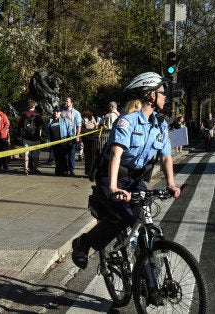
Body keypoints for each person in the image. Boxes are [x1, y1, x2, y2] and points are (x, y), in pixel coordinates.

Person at [71, 72, 181, 271]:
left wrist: (171, 183)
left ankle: (147, 281)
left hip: (135, 178)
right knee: (125, 216)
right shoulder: (127, 122)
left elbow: (166, 156)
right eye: (162, 92)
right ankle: (84, 242)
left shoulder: (160, 124)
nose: (166, 97)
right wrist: (113, 187)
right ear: (151, 95)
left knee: (143, 220)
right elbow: (116, 154)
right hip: (111, 175)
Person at [44, 106, 73, 176]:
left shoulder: (65, 120)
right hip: (54, 142)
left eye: (57, 112)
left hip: (63, 142)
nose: (56, 113)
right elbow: (46, 131)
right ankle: (58, 170)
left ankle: (65, 171)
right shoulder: (49, 121)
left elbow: (69, 131)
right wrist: (48, 141)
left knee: (63, 157)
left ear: (60, 113)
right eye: (55, 112)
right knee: (57, 157)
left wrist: (71, 139)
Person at [18, 100, 44, 175]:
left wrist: (23, 135)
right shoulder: (38, 115)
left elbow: (21, 127)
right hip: (35, 137)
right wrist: (39, 135)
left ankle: (26, 168)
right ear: (34, 106)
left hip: (26, 138)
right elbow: (40, 127)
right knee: (36, 154)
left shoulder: (24, 115)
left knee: (26, 153)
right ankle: (35, 168)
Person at [62, 97, 82, 176]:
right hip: (64, 136)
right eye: (65, 101)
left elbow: (79, 125)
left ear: (71, 103)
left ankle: (71, 169)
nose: (66, 102)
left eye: (67, 101)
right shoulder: (62, 112)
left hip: (72, 136)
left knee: (72, 153)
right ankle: (65, 169)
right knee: (64, 153)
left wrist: (77, 136)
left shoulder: (76, 113)